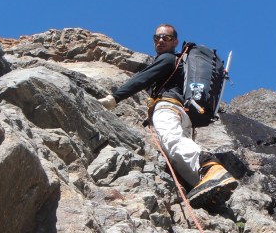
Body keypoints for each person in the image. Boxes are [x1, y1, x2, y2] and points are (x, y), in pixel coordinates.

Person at [98, 23, 238, 207]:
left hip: (167, 107)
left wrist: (114, 98)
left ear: (176, 42)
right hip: (185, 115)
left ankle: (210, 167)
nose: (161, 40)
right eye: (157, 37)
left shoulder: (167, 59)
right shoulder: (180, 65)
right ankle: (205, 189)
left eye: (166, 37)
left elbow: (141, 79)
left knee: (172, 141)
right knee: (175, 152)